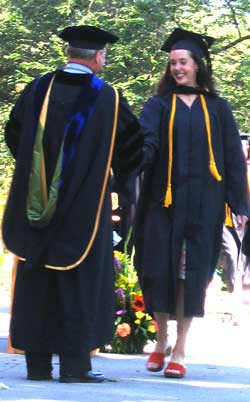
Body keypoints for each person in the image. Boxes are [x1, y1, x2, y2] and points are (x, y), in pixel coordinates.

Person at [2, 25, 143, 383]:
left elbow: (14, 134)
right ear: (98, 57)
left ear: (69, 53)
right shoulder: (108, 98)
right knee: (79, 280)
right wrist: (114, 181)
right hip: (85, 208)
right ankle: (75, 367)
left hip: (35, 209)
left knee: (36, 279)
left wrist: (38, 180)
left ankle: (37, 364)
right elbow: (132, 149)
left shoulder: (37, 90)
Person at [133, 28, 249, 378]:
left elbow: (231, 157)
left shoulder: (217, 108)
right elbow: (145, 142)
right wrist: (136, 157)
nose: (177, 69)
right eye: (172, 64)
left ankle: (181, 347)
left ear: (198, 65)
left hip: (204, 206)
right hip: (161, 204)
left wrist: (239, 205)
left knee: (190, 276)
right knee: (158, 271)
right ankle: (161, 340)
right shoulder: (157, 105)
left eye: (183, 62)